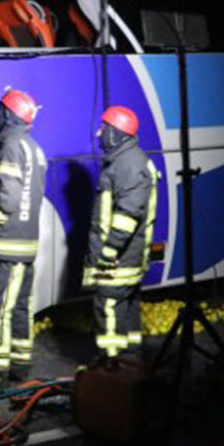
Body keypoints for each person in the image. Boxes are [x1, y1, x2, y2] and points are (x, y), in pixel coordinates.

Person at [0, 88, 47, 390]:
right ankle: (19, 365)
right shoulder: (32, 146)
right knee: (18, 308)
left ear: (7, 113)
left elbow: (9, 194)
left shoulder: (9, 145)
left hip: (4, 244)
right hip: (26, 243)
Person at [83, 105, 160, 360]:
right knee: (127, 311)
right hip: (127, 258)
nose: (98, 133)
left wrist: (108, 251)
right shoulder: (127, 161)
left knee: (108, 310)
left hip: (118, 261)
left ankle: (112, 369)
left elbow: (128, 215)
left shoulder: (128, 165)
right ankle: (131, 365)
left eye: (103, 127)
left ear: (115, 134)